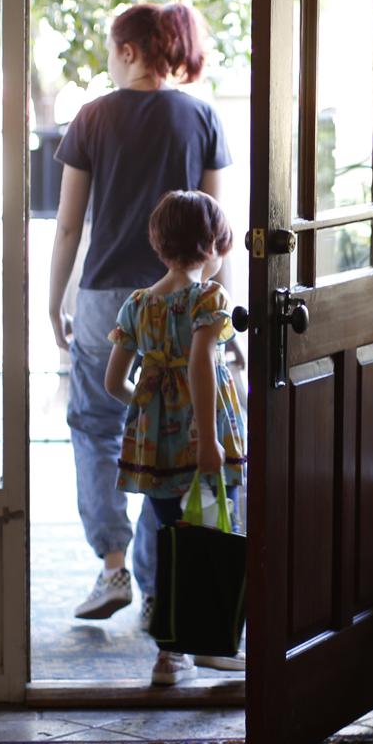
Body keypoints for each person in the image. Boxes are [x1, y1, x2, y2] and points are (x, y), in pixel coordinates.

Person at [49, 2, 229, 623]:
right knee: (173, 440)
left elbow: (70, 226)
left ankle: (112, 568)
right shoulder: (202, 115)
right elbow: (216, 232)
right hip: (180, 295)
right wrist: (218, 315)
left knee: (96, 427)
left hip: (105, 300)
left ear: (128, 50)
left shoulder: (92, 116)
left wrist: (55, 302)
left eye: (108, 47)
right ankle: (158, 592)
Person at [103, 190, 248, 686]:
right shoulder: (208, 298)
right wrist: (207, 439)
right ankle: (212, 643)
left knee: (172, 543)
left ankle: (170, 656)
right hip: (200, 444)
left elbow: (113, 382)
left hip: (159, 453)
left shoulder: (138, 305)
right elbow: (202, 363)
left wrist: (146, 408)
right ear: (212, 246)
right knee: (214, 537)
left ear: (159, 245)